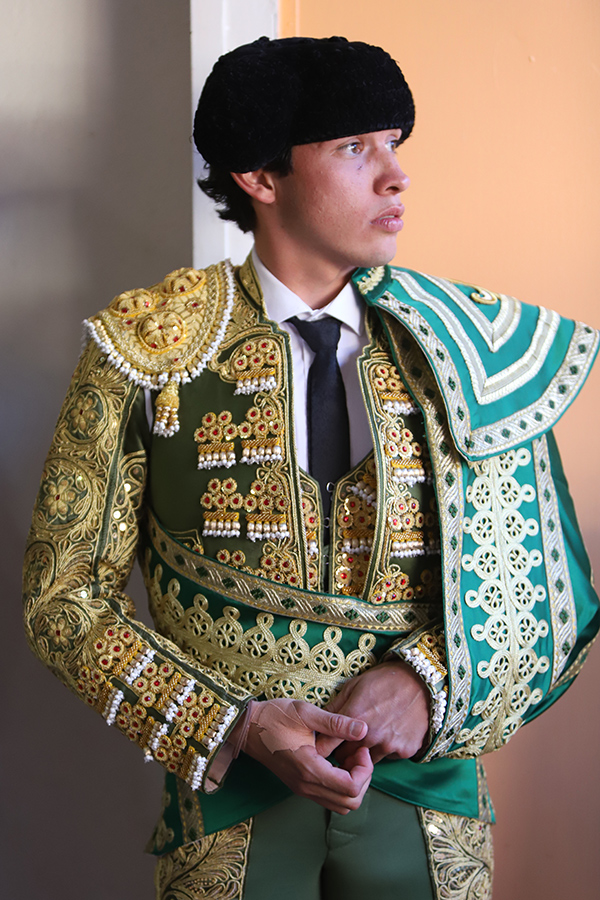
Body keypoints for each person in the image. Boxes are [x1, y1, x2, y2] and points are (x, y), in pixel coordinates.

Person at [23, 36, 599, 900]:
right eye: (355, 148)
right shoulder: (145, 350)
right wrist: (234, 723)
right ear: (261, 176)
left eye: (393, 144)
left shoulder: (470, 350)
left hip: (425, 794)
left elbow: (552, 596)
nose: (396, 176)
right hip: (231, 799)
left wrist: (424, 683)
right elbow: (62, 596)